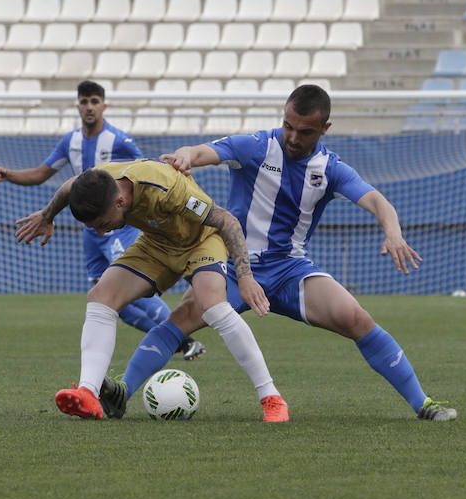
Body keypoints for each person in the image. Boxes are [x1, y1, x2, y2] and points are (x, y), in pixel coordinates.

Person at [106, 84, 457, 422]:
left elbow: (377, 201)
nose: (292, 137)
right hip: (232, 264)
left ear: (324, 128)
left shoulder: (330, 169)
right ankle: (122, 390)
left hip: (290, 269)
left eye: (304, 131)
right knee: (181, 319)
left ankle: (422, 402)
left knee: (357, 319)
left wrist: (392, 233)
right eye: (288, 126)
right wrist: (186, 156)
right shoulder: (257, 145)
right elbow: (203, 152)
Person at [15, 158, 289, 422]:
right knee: (101, 297)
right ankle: (88, 393)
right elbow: (68, 187)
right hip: (156, 245)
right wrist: (47, 215)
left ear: (119, 200)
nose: (100, 233)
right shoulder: (102, 179)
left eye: (102, 224)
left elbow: (226, 221)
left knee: (212, 305)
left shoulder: (167, 190)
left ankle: (271, 397)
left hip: (200, 242)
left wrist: (245, 277)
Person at [0, 80, 204, 361]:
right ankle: (180, 342)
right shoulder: (71, 142)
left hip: (119, 226)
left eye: (94, 101)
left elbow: (147, 172)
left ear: (104, 105)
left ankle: (183, 336)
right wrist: (10, 175)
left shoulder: (119, 140)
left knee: (132, 285)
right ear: (78, 105)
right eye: (84, 101)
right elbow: (41, 174)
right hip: (91, 231)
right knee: (108, 300)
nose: (89, 107)